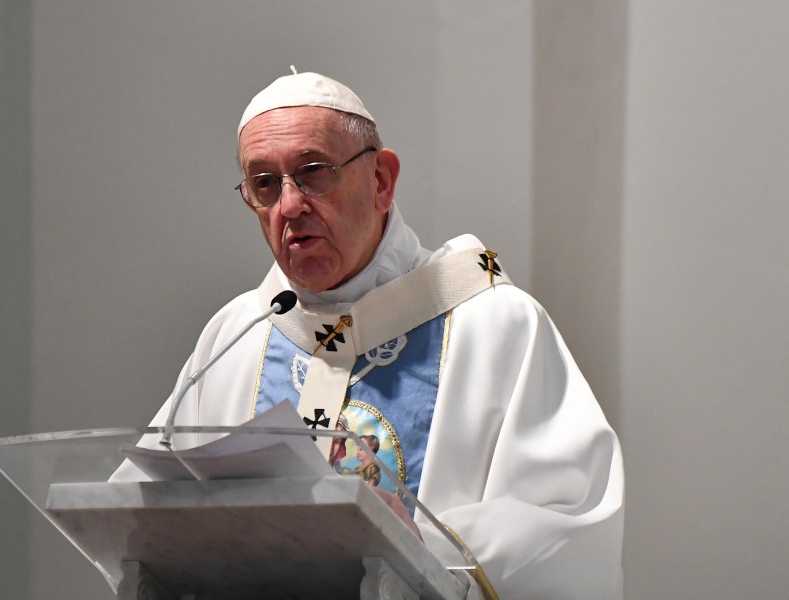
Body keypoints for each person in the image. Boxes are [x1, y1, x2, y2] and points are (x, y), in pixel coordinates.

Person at [126, 71, 624, 599]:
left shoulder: (494, 323)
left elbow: (571, 523)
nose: (289, 207)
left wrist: (416, 548)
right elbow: (138, 520)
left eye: (312, 172)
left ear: (382, 180)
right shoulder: (236, 336)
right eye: (265, 184)